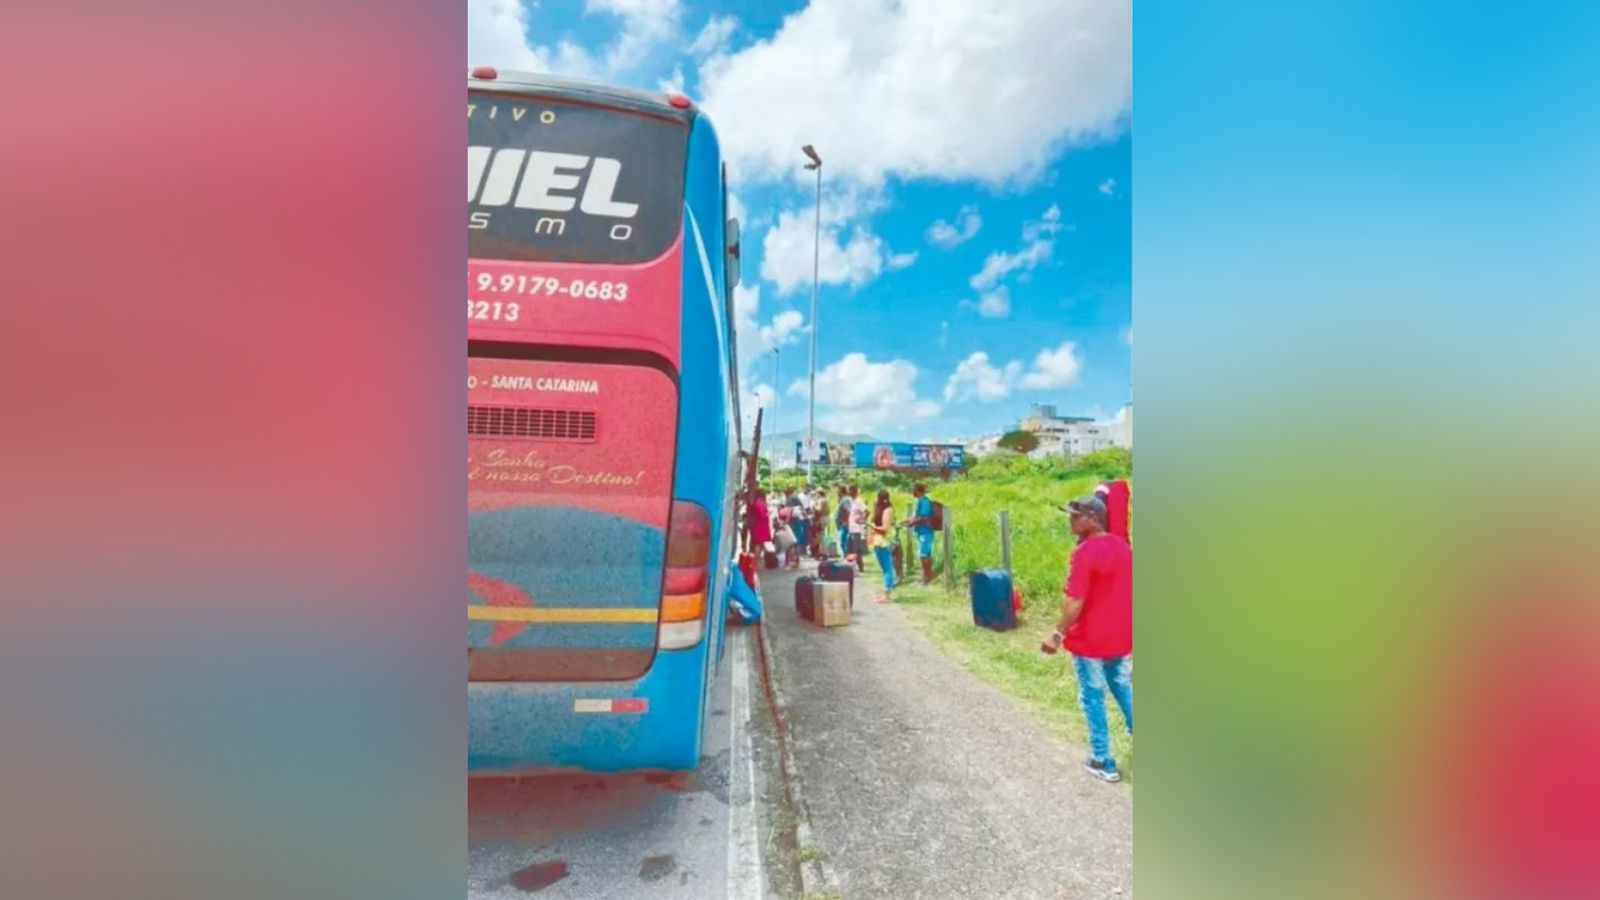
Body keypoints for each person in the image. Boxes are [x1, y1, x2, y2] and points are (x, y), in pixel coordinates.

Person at [1042, 495, 1132, 783]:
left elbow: (1075, 600)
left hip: (1091, 639)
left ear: (1094, 518)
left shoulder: (1085, 552)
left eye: (1076, 516)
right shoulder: (1124, 547)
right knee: (1123, 688)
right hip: (1121, 635)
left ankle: (1102, 759)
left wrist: (1057, 634)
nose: (1071, 520)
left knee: (1093, 696)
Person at [869, 489, 897, 602]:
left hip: (883, 542)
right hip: (878, 541)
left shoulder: (888, 510)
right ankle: (885, 593)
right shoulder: (879, 510)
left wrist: (871, 526)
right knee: (885, 569)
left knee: (888, 569)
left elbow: (885, 528)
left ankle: (887, 595)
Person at [909, 483, 937, 585]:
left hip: (926, 531)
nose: (913, 492)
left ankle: (926, 578)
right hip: (923, 531)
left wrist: (912, 523)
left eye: (914, 490)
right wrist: (910, 521)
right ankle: (927, 577)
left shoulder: (924, 502)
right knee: (925, 555)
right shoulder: (921, 501)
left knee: (923, 555)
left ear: (918, 491)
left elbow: (923, 517)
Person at [847, 485, 868, 572]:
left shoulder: (859, 501)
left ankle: (860, 566)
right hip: (852, 528)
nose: (848, 493)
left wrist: (862, 520)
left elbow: (867, 511)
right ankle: (853, 565)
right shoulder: (852, 501)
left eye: (850, 491)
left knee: (857, 549)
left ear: (853, 491)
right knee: (851, 548)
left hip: (857, 529)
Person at [749, 489, 773, 556]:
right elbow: (763, 515)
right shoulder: (761, 504)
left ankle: (757, 557)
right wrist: (769, 513)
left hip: (757, 525)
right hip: (761, 526)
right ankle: (757, 558)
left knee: (758, 543)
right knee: (759, 543)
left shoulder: (756, 503)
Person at [834, 486, 852, 558]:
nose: (836, 492)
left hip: (844, 524)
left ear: (841, 491)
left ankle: (846, 556)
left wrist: (846, 521)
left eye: (838, 491)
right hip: (841, 524)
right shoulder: (842, 499)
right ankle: (846, 555)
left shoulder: (845, 500)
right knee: (843, 541)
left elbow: (848, 510)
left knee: (843, 541)